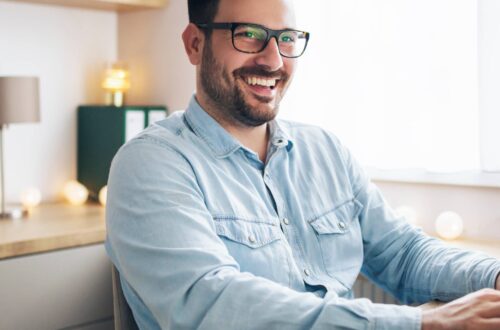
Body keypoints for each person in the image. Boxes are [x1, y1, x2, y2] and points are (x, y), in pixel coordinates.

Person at [105, 0, 500, 329]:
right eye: (249, 34)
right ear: (194, 44)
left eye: (287, 39)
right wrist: (421, 324)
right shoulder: (151, 163)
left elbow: (405, 254)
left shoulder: (325, 150)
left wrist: (492, 276)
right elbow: (212, 304)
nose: (273, 60)